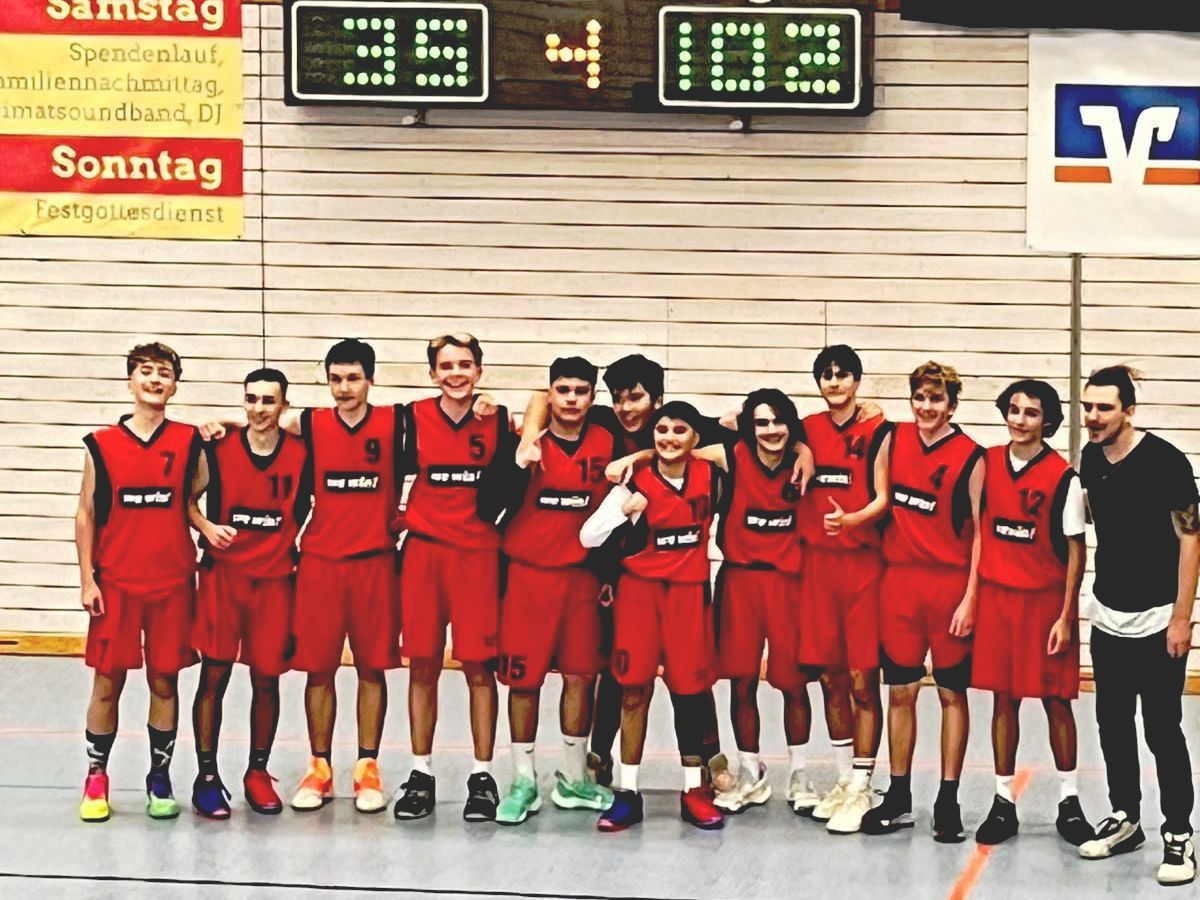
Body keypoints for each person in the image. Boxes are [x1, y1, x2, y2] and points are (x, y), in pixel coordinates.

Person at [1076, 365, 1199, 887]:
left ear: (1128, 411)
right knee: (1112, 722)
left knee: (1162, 730)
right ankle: (1126, 816)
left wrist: (1181, 617)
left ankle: (1178, 833)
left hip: (1158, 621)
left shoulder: (1166, 461)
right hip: (1109, 617)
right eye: (1087, 406)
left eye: (1104, 407)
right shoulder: (1089, 457)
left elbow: (1191, 538)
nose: (1092, 416)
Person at [580, 401, 726, 832]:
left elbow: (745, 446)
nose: (669, 438)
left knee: (690, 694)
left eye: (680, 430)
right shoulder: (634, 482)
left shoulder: (711, 476)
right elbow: (588, 536)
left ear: (695, 438)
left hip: (688, 596)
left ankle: (693, 790)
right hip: (640, 596)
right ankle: (627, 792)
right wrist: (623, 513)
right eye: (661, 430)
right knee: (633, 692)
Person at [485, 357, 619, 824]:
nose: (572, 399)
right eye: (563, 390)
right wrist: (519, 458)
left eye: (581, 391)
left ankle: (574, 777)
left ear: (593, 397)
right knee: (523, 681)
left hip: (582, 579)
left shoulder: (608, 438)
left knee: (581, 677)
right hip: (528, 577)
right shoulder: (523, 442)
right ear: (550, 393)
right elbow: (486, 505)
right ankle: (523, 779)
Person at [77, 343, 201, 823]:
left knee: (164, 680)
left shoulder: (190, 440)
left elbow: (193, 499)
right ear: (130, 380)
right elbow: (86, 513)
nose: (154, 379)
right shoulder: (102, 443)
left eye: (164, 373)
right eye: (145, 371)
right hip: (117, 582)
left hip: (171, 582)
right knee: (108, 681)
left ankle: (159, 776)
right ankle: (96, 775)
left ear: (175, 385)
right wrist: (87, 579)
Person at [861, 361, 983, 844]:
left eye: (936, 399)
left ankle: (948, 800)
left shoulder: (972, 457)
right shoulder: (892, 439)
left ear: (951, 405)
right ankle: (898, 796)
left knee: (952, 693)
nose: (926, 407)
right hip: (900, 585)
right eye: (920, 398)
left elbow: (981, 536)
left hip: (949, 587)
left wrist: (970, 598)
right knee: (901, 692)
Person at [971, 380, 1094, 847]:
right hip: (998, 600)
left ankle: (1070, 800)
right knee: (1003, 700)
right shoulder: (986, 463)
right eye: (1014, 410)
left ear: (1048, 421)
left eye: (1031, 412)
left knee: (1056, 701)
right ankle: (1003, 801)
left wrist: (1066, 616)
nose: (1019, 419)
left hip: (1044, 604)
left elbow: (1076, 552)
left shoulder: (1064, 477)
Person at [393, 333, 509, 823]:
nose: (456, 374)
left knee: (479, 667)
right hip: (425, 554)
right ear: (432, 373)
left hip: (477, 556)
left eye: (465, 365)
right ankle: (420, 773)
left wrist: (498, 403)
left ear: (479, 371)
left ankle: (482, 776)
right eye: (446, 366)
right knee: (422, 664)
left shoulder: (499, 420)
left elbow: (544, 407)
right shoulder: (410, 418)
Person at [285, 339, 403, 814]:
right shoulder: (311, 423)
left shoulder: (395, 423)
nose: (344, 388)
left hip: (375, 562)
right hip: (322, 563)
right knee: (320, 668)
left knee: (372, 667)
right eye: (335, 379)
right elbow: (263, 423)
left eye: (353, 378)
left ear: (370, 379)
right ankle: (319, 767)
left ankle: (367, 768)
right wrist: (224, 424)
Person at [188, 368, 310, 819]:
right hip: (224, 578)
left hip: (275, 581)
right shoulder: (217, 448)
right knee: (214, 675)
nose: (259, 408)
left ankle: (257, 771)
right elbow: (185, 499)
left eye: (268, 400)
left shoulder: (301, 453)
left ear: (284, 405)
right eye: (252, 399)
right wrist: (205, 526)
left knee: (266, 678)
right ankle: (206, 777)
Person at [699, 389, 811, 814]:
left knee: (793, 684)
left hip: (788, 584)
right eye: (761, 422)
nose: (771, 430)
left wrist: (803, 449)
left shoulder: (804, 462)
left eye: (778, 421)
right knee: (742, 681)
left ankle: (799, 773)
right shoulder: (731, 456)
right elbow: (676, 445)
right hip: (740, 581)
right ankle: (751, 772)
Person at [795, 345, 892, 832]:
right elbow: (732, 424)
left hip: (861, 565)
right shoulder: (803, 429)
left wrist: (852, 520)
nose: (834, 382)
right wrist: (799, 448)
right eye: (826, 375)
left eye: (843, 374)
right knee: (830, 676)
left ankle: (863, 782)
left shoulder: (879, 428)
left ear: (857, 380)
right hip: (817, 567)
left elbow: (884, 496)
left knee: (861, 678)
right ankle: (841, 778)